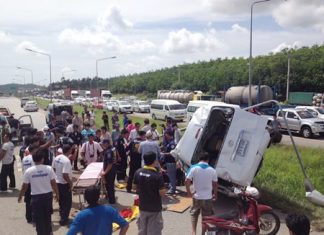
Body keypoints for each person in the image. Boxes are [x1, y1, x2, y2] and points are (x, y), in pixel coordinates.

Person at [18, 149, 59, 235]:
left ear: (33, 159)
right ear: (43, 159)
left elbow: (24, 186)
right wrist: (57, 194)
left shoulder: (29, 171)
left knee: (39, 220)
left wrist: (20, 196)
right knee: (47, 217)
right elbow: (54, 183)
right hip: (47, 197)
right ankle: (49, 232)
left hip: (36, 198)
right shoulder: (49, 169)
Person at [133, 151, 166, 235]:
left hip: (142, 206)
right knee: (154, 231)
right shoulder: (158, 175)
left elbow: (134, 187)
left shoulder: (138, 172)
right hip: (154, 208)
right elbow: (161, 193)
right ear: (154, 161)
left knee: (142, 230)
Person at [185, 153, 218, 235]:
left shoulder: (194, 168)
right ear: (208, 160)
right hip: (208, 198)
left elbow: (186, 181)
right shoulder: (212, 170)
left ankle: (193, 232)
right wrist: (215, 194)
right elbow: (215, 184)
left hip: (197, 197)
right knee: (206, 217)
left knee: (194, 214)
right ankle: (203, 232)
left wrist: (189, 193)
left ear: (199, 159)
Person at [52, 144, 73, 225]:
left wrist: (56, 177)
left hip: (57, 183)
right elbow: (65, 175)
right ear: (69, 151)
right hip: (64, 184)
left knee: (61, 201)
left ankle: (62, 216)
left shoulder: (56, 157)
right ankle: (64, 219)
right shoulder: (66, 161)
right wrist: (70, 183)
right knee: (67, 202)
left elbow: (53, 169)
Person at [21, 145, 37, 223]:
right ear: (33, 150)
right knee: (33, 200)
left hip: (26, 181)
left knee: (27, 200)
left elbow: (23, 170)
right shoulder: (33, 158)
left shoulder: (24, 159)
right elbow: (34, 170)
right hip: (32, 182)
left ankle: (28, 217)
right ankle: (34, 217)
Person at [101, 140, 117, 204]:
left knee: (110, 187)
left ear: (107, 144)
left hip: (110, 172)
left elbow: (110, 164)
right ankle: (110, 198)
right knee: (109, 186)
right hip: (111, 170)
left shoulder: (109, 151)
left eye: (103, 144)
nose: (102, 145)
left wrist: (104, 173)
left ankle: (112, 201)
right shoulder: (112, 149)